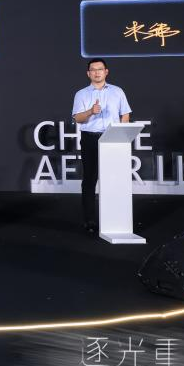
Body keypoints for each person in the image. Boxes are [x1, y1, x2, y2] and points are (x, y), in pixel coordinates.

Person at [72, 58, 131, 236]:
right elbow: (77, 118)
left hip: (112, 138)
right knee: (90, 179)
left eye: (100, 69)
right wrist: (91, 111)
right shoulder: (81, 94)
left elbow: (125, 114)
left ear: (106, 72)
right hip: (90, 138)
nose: (97, 72)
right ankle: (90, 220)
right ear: (88, 73)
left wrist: (121, 133)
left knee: (114, 179)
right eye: (93, 69)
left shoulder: (117, 91)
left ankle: (115, 218)